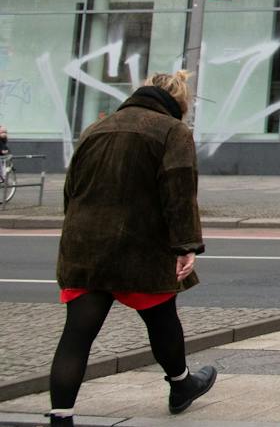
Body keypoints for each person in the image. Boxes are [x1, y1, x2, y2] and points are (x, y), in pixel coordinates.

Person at [49, 71, 217, 426]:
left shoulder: (97, 129)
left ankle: (60, 417)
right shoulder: (173, 131)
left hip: (85, 246)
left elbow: (71, 189)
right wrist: (186, 246)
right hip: (139, 248)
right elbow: (179, 192)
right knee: (162, 320)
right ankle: (181, 384)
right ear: (180, 102)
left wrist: (79, 232)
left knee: (77, 335)